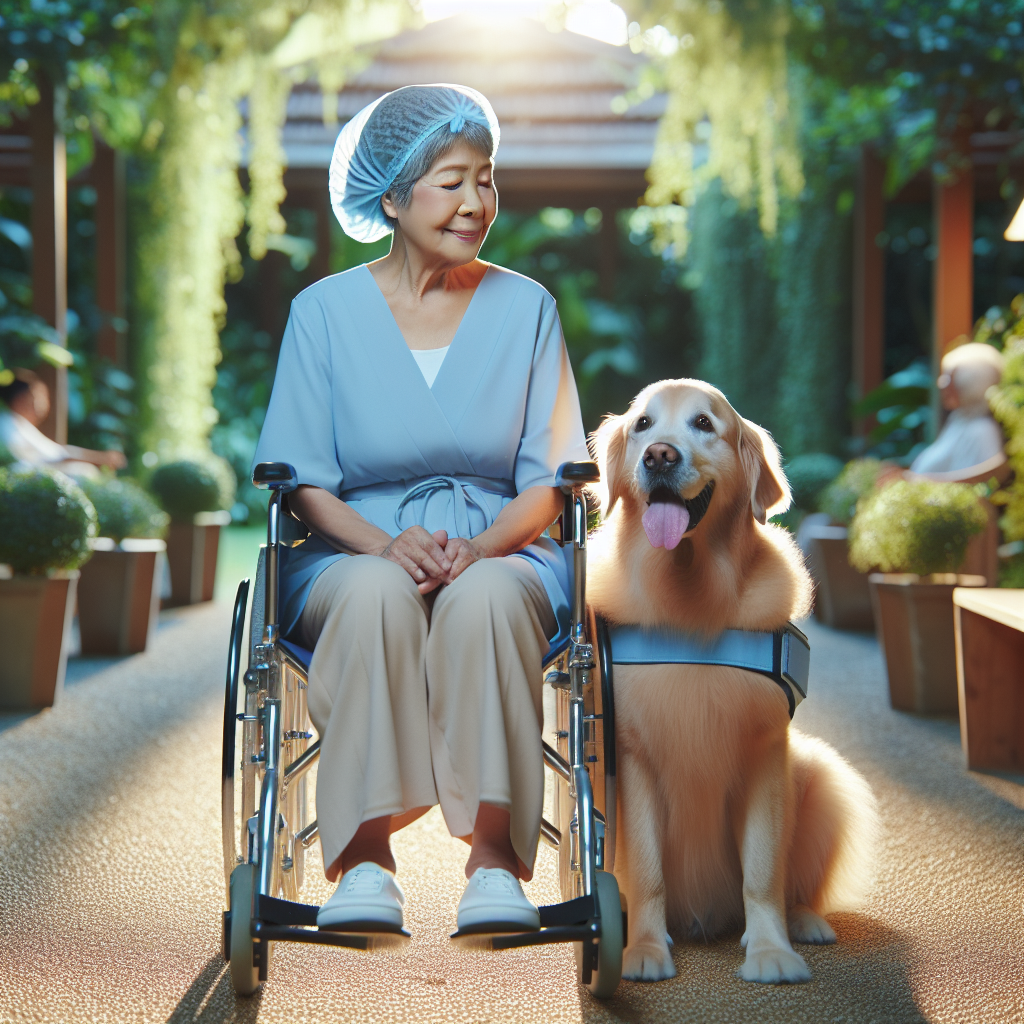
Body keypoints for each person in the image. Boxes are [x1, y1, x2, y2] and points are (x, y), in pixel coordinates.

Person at [252, 84, 589, 935]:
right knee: (372, 595)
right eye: (451, 181)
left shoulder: (528, 307)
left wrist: (477, 552)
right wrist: (386, 545)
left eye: (487, 178)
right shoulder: (323, 312)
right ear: (393, 198)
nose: (477, 202)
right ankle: (364, 858)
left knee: (481, 600)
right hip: (350, 549)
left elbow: (551, 478)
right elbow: (302, 480)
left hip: (503, 547)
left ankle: (494, 864)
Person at [0, 368, 126, 473]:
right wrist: (99, 458)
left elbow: (59, 453)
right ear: (20, 399)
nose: (43, 404)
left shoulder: (19, 425)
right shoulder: (7, 425)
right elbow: (54, 457)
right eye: (37, 397)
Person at [908, 343, 1005, 476]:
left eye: (948, 379)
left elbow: (976, 484)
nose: (941, 385)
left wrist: (908, 481)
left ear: (972, 384)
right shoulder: (959, 420)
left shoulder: (981, 431)